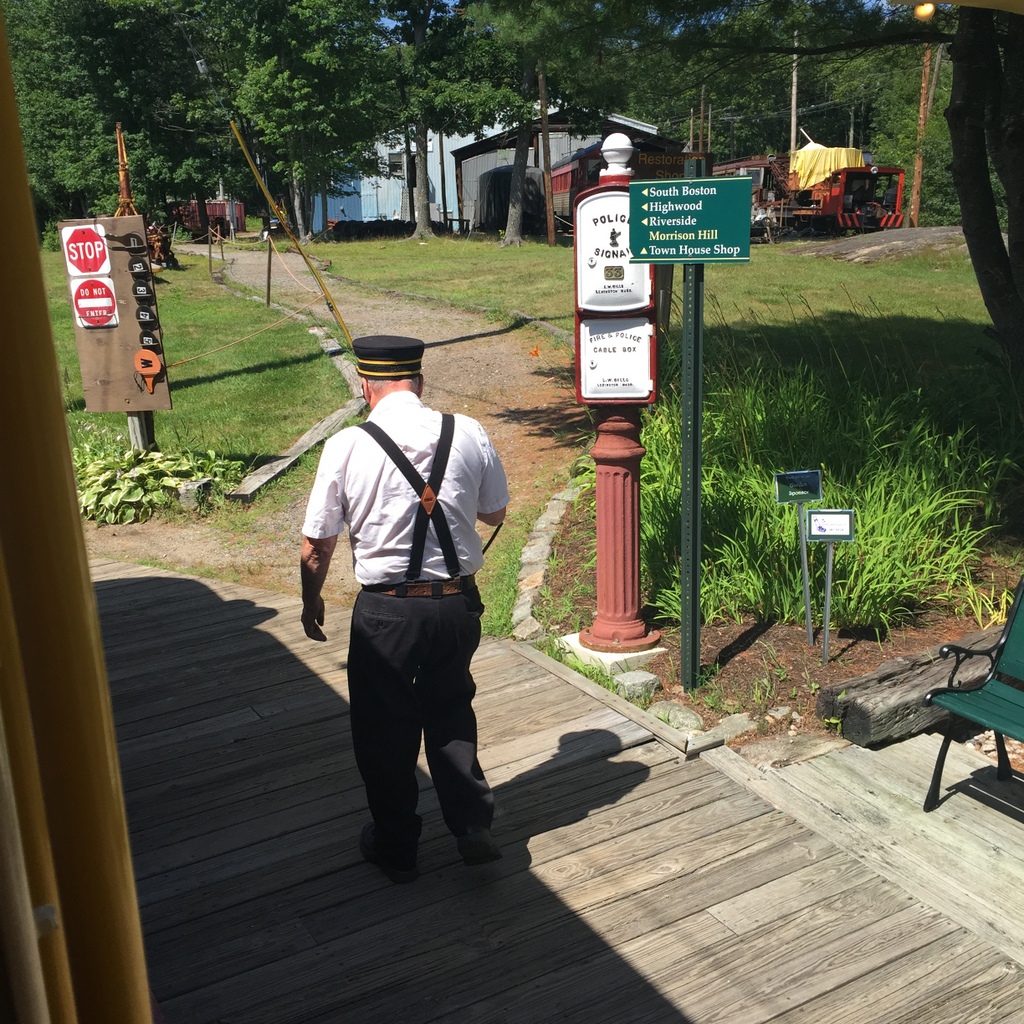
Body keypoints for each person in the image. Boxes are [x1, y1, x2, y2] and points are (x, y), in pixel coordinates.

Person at [300, 335, 509, 884]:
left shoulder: (347, 445)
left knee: (384, 728)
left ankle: (396, 845)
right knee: (451, 708)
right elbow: (495, 512)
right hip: (455, 605)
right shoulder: (467, 430)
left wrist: (310, 598)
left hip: (386, 612)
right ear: (419, 381)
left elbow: (317, 543)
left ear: (365, 385)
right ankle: (471, 826)